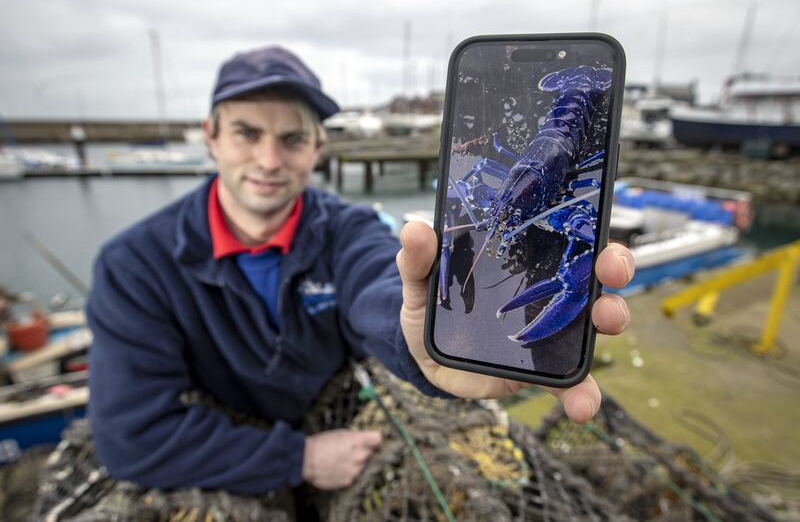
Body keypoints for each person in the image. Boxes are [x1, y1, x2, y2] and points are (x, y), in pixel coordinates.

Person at [86, 46, 634, 495]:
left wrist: (423, 343)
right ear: (211, 136)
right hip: (232, 455)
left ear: (319, 147)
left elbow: (377, 291)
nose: (270, 161)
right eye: (247, 133)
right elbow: (130, 437)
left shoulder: (348, 230)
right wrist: (298, 458)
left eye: (293, 138)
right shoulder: (132, 266)